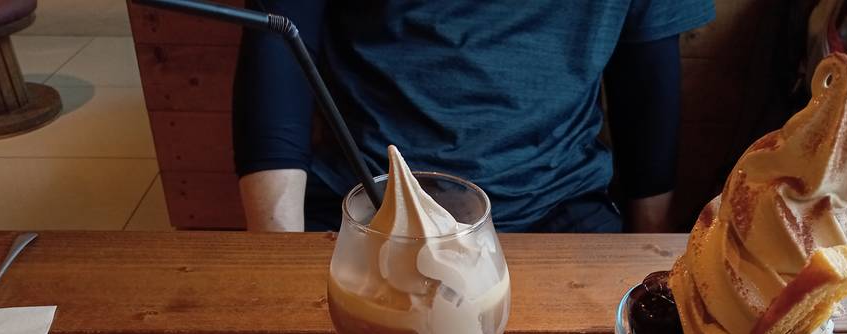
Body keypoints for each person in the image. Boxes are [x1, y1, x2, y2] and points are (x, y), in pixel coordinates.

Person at [233, 1, 715, 233]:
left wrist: (647, 263)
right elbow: (277, 50)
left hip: (559, 209)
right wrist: (279, 260)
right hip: (369, 199)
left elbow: (646, 93)